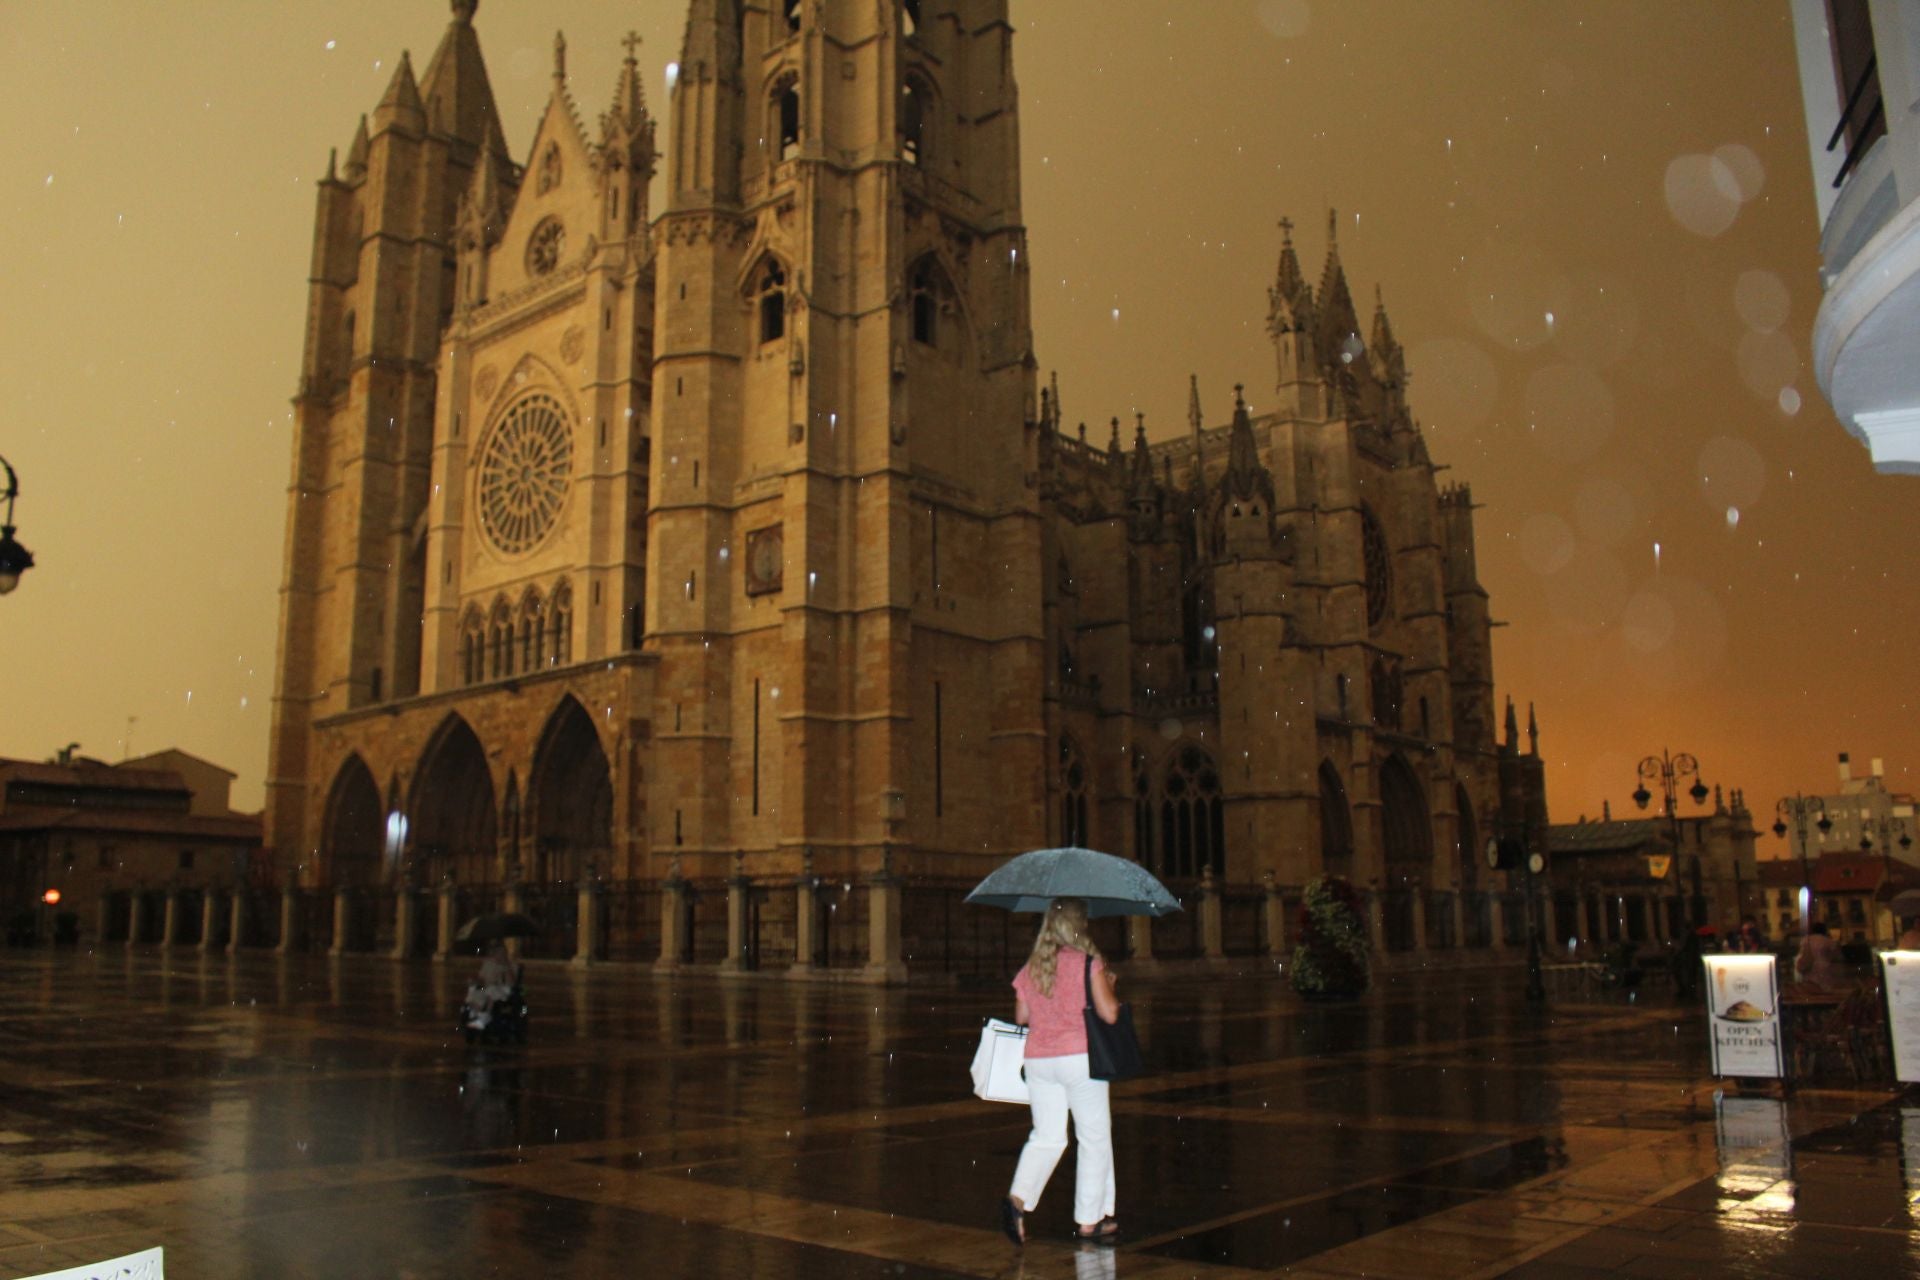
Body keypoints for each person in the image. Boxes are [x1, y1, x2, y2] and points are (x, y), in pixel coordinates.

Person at [1001, 898, 1122, 1247]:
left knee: (1048, 1136)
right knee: (1093, 1138)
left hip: (1039, 1060)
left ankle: (1018, 1200)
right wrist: (1109, 984)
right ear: (1078, 925)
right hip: (1080, 1059)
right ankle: (1089, 1220)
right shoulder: (1089, 964)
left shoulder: (1032, 967)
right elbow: (1110, 1013)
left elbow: (1022, 1017)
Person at [462, 940, 515, 1029]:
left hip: (503, 990)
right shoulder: (488, 964)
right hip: (486, 988)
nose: (500, 955)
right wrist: (474, 981)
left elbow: (512, 982)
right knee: (475, 992)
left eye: (502, 953)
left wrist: (506, 969)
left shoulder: (510, 965)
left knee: (491, 991)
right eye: (498, 952)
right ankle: (474, 1015)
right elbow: (481, 978)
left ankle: (485, 1017)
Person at [1794, 921, 1849, 990]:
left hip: (1810, 971)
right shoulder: (1829, 942)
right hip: (1825, 971)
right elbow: (1838, 957)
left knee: (1811, 991)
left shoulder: (1806, 940)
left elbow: (1801, 954)